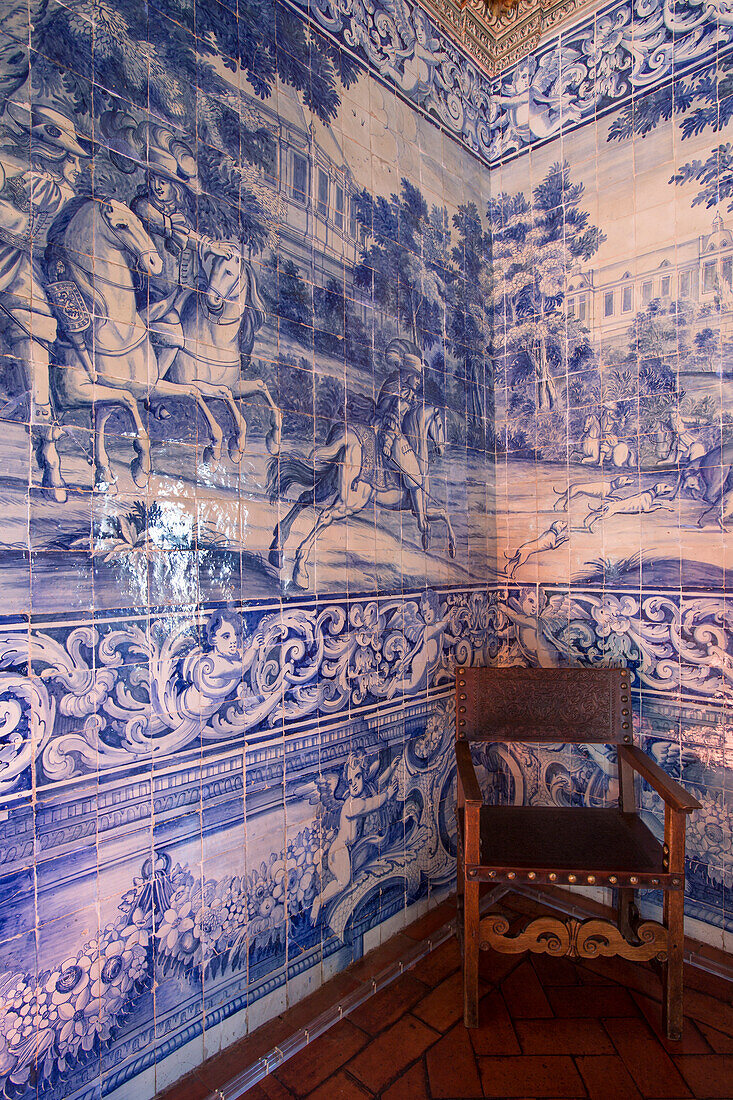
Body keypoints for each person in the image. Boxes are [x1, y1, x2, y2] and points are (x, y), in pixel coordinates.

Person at [0, 101, 93, 501]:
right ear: (52, 152)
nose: (76, 166)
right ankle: (50, 460)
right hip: (14, 272)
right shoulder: (10, 171)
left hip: (38, 282)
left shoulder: (66, 194)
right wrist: (21, 225)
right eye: (71, 158)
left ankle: (50, 455)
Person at [130, 124, 231, 372]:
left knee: (174, 340)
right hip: (140, 290)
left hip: (166, 296)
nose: (157, 186)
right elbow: (172, 229)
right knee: (135, 333)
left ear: (175, 186)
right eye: (153, 179)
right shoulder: (142, 206)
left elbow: (187, 234)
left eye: (163, 181)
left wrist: (211, 245)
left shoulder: (179, 216)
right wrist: (206, 243)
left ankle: (151, 389)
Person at [310, 751, 399, 925]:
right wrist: (388, 794)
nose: (355, 785)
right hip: (339, 850)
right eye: (350, 782)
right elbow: (372, 803)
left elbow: (376, 784)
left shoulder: (363, 790)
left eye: (357, 778)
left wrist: (391, 768)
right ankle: (317, 902)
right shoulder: (353, 805)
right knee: (344, 882)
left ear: (363, 776)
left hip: (350, 848)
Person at [374, 338, 428, 538]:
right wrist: (388, 442)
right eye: (417, 377)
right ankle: (421, 519)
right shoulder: (400, 393)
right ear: (407, 375)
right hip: (390, 434)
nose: (419, 382)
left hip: (396, 433)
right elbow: (391, 418)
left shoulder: (408, 393)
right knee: (414, 472)